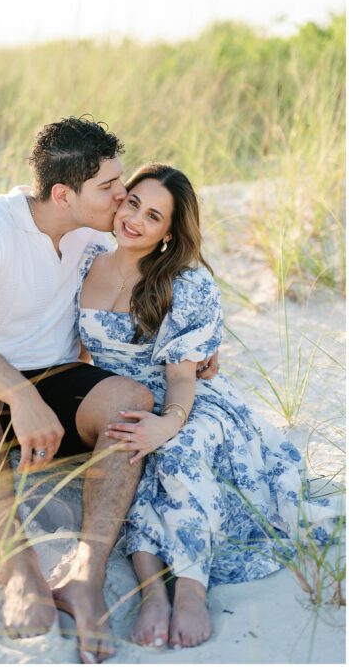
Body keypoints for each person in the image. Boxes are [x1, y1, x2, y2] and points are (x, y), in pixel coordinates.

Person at [0, 116, 216, 663]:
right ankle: (18, 569)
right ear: (62, 194)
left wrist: (197, 349)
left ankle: (85, 574)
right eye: (109, 187)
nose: (122, 197)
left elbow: (148, 280)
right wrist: (18, 395)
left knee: (131, 401)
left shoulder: (91, 232)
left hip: (54, 390)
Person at [78, 163, 338, 649]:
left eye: (153, 216)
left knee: (175, 451)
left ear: (169, 233)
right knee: (130, 453)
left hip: (189, 400)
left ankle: (191, 591)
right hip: (119, 394)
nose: (135, 219)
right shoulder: (85, 260)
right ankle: (153, 593)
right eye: (133, 202)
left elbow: (181, 376)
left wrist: (168, 424)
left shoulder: (184, 283)